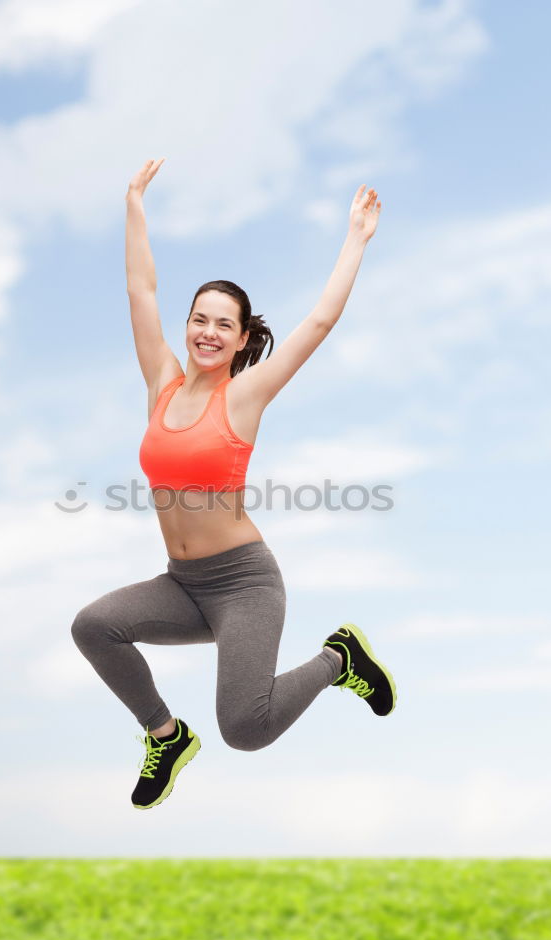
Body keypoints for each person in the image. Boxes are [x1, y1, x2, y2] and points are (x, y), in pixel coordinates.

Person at [71, 157, 397, 809]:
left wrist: (355, 239)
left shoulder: (244, 395)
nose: (207, 331)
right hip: (181, 585)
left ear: (243, 338)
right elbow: (140, 290)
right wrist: (134, 204)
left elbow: (319, 324)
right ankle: (165, 736)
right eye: (199, 319)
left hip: (243, 584)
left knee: (245, 729)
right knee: (93, 626)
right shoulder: (160, 384)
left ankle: (341, 659)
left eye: (224, 323)